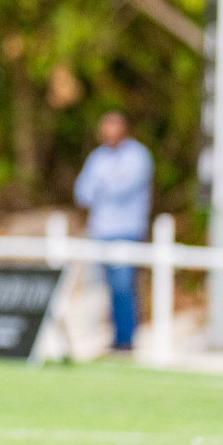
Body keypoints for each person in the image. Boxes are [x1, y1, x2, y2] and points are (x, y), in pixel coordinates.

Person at [72, 112, 155, 352]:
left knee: (123, 286)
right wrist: (103, 186)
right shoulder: (97, 157)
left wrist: (101, 185)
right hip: (100, 230)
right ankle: (109, 336)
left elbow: (121, 188)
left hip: (126, 229)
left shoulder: (138, 155)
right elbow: (82, 192)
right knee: (101, 287)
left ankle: (126, 339)